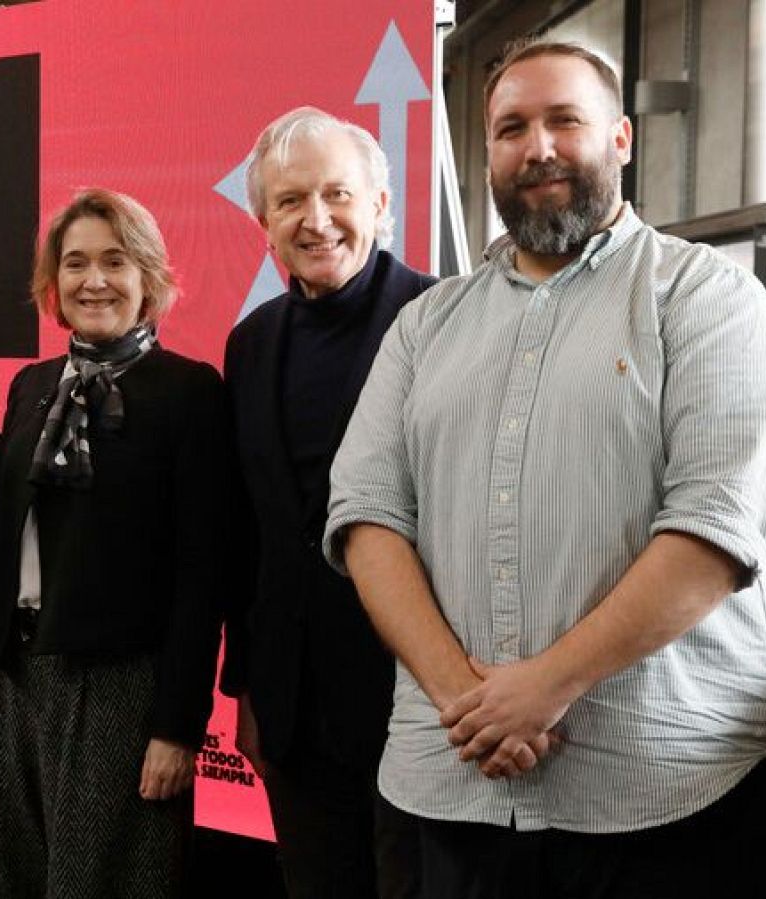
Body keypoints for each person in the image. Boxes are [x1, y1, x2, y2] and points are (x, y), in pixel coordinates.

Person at [326, 40, 766, 899]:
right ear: (489, 153)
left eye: (565, 120)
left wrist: (548, 686)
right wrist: (471, 702)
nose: (538, 147)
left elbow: (717, 525)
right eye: (512, 128)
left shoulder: (708, 298)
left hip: (666, 792)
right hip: (451, 783)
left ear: (621, 138)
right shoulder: (425, 325)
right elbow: (367, 517)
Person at [0, 188, 239, 898]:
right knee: (16, 881)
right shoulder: (30, 386)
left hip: (121, 687)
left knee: (104, 884)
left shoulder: (189, 391)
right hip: (17, 673)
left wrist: (178, 726)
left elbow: (203, 574)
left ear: (148, 275)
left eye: (115, 261)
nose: (94, 281)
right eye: (76, 263)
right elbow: (0, 543)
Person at [220, 106, 435, 899]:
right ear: (264, 224)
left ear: (379, 203)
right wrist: (246, 686)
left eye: (337, 194)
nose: (316, 220)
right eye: (290, 200)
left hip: (418, 698)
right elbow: (248, 531)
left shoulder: (443, 319)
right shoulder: (250, 342)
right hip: (293, 712)